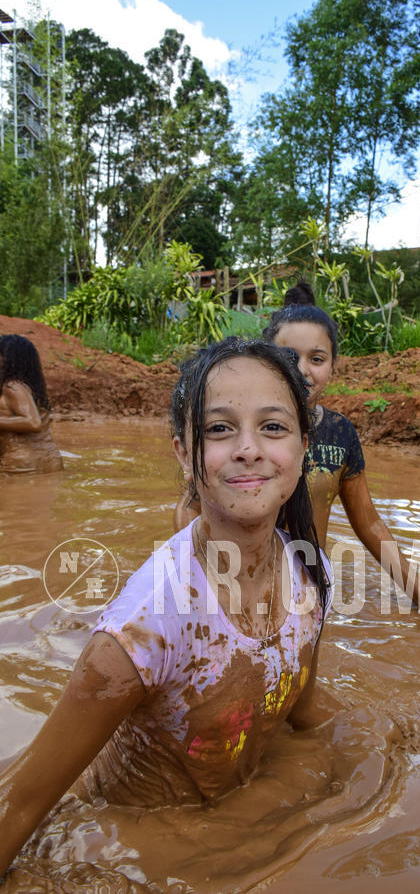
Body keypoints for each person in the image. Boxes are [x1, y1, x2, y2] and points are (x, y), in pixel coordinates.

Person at [0, 337, 336, 879]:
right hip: (121, 844)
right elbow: (17, 806)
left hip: (228, 823)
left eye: (273, 427)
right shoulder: (143, 631)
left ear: (302, 448)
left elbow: (304, 714)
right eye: (220, 429)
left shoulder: (309, 572)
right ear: (183, 451)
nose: (249, 449)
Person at [262, 305, 420, 616]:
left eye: (317, 358)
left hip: (307, 591)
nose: (303, 369)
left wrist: (419, 594)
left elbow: (369, 523)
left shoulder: (339, 434)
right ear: (266, 362)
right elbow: (193, 509)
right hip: (241, 588)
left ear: (333, 368)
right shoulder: (240, 430)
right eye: (288, 356)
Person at [0, 334, 63, 473]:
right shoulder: (31, 388)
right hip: (50, 461)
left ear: (7, 360)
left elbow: (33, 423)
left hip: (22, 463)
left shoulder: (13, 387)